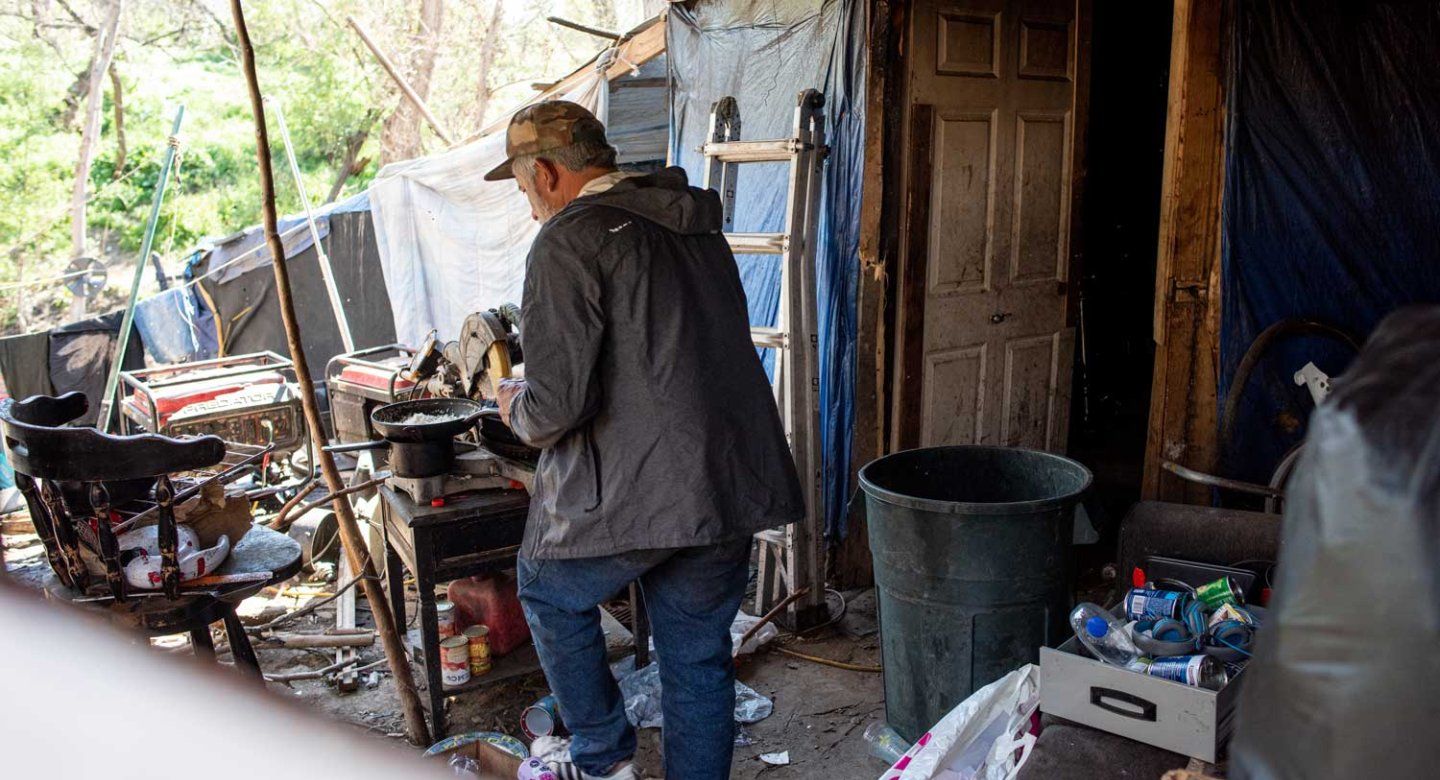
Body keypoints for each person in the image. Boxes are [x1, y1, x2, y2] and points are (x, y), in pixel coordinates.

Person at [489, 101, 803, 780]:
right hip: (727, 477)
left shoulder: (570, 240)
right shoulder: (688, 222)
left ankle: (604, 758)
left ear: (544, 172)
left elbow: (557, 408)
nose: (528, 206)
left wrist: (512, 401)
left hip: (648, 487)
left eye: (521, 190)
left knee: (547, 589)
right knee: (696, 658)